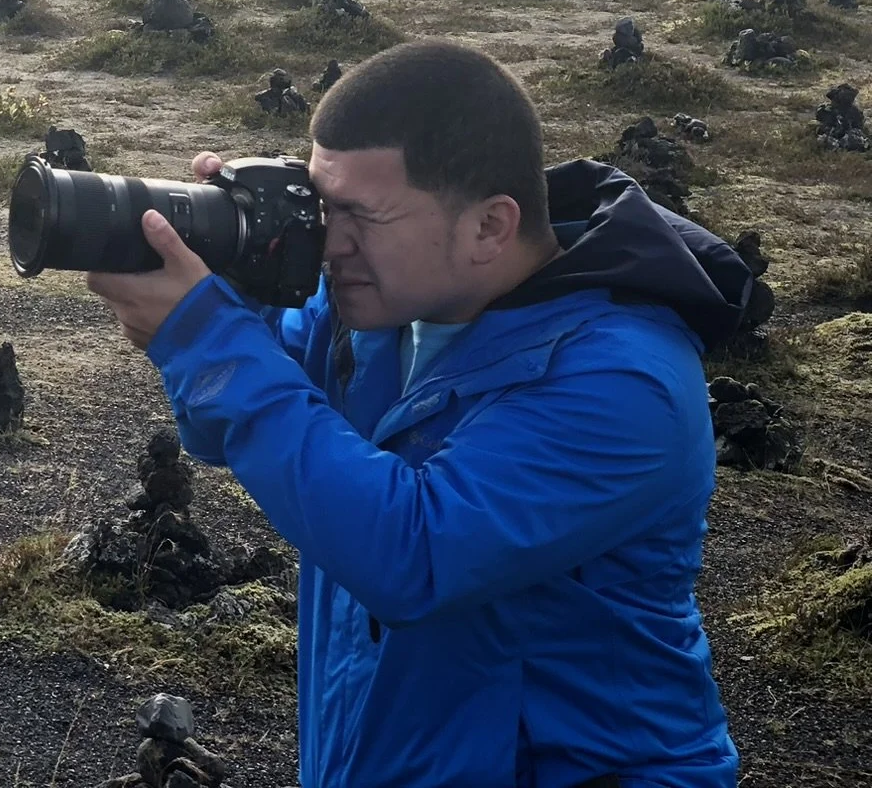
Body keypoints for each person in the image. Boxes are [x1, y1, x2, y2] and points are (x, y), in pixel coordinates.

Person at [88, 41, 745, 788]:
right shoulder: (380, 312)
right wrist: (235, 271)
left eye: (362, 215)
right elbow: (218, 429)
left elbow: (414, 556)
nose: (332, 243)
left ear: (490, 227)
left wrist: (211, 343)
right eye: (321, 204)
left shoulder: (624, 380)